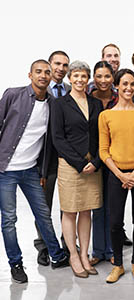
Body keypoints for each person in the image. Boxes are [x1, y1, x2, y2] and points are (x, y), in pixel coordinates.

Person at [0, 59, 69, 284]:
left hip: (31, 170)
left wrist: (42, 172)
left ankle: (57, 256)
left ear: (51, 77)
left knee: (43, 215)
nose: (43, 75)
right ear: (30, 75)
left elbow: (49, 142)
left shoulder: (53, 104)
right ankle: (16, 264)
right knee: (9, 219)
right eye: (38, 72)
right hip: (6, 170)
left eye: (47, 72)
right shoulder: (13, 95)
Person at [98, 68, 134, 283]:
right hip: (116, 174)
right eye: (124, 84)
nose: (129, 88)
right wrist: (121, 175)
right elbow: (104, 151)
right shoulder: (106, 115)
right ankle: (118, 266)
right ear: (117, 85)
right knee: (115, 221)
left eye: (132, 84)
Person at [51, 60, 103, 278]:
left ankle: (85, 255)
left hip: (93, 165)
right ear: (69, 78)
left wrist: (97, 161)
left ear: (88, 78)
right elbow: (58, 139)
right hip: (71, 166)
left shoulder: (96, 103)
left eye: (84, 76)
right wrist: (80, 163)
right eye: (76, 76)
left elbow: (102, 136)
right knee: (70, 210)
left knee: (87, 210)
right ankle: (73, 254)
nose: (80, 80)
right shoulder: (60, 104)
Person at [35, 50, 71, 266]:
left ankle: (67, 242)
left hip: (65, 156)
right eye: (57, 64)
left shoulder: (69, 90)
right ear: (49, 65)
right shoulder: (40, 90)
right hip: (45, 157)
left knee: (68, 203)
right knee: (43, 204)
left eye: (64, 65)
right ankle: (44, 245)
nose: (60, 68)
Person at [88, 61, 121, 266]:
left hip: (114, 158)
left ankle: (110, 249)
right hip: (93, 159)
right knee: (96, 206)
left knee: (112, 206)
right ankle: (97, 250)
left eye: (107, 76)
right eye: (98, 76)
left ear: (113, 77)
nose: (103, 80)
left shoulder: (119, 99)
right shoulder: (89, 98)